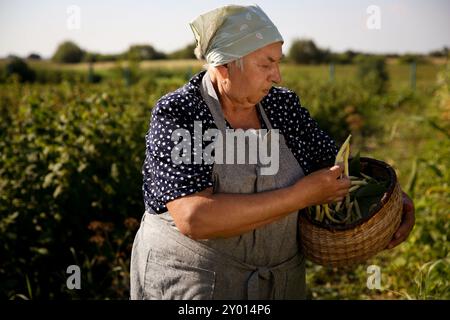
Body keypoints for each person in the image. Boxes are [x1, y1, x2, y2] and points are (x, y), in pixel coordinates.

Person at [130, 4, 415, 300]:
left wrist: (393, 201)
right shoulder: (183, 112)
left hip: (278, 285)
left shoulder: (281, 107)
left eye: (278, 63)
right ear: (224, 65)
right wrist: (302, 195)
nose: (277, 76)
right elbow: (195, 218)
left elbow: (335, 169)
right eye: (265, 65)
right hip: (194, 280)